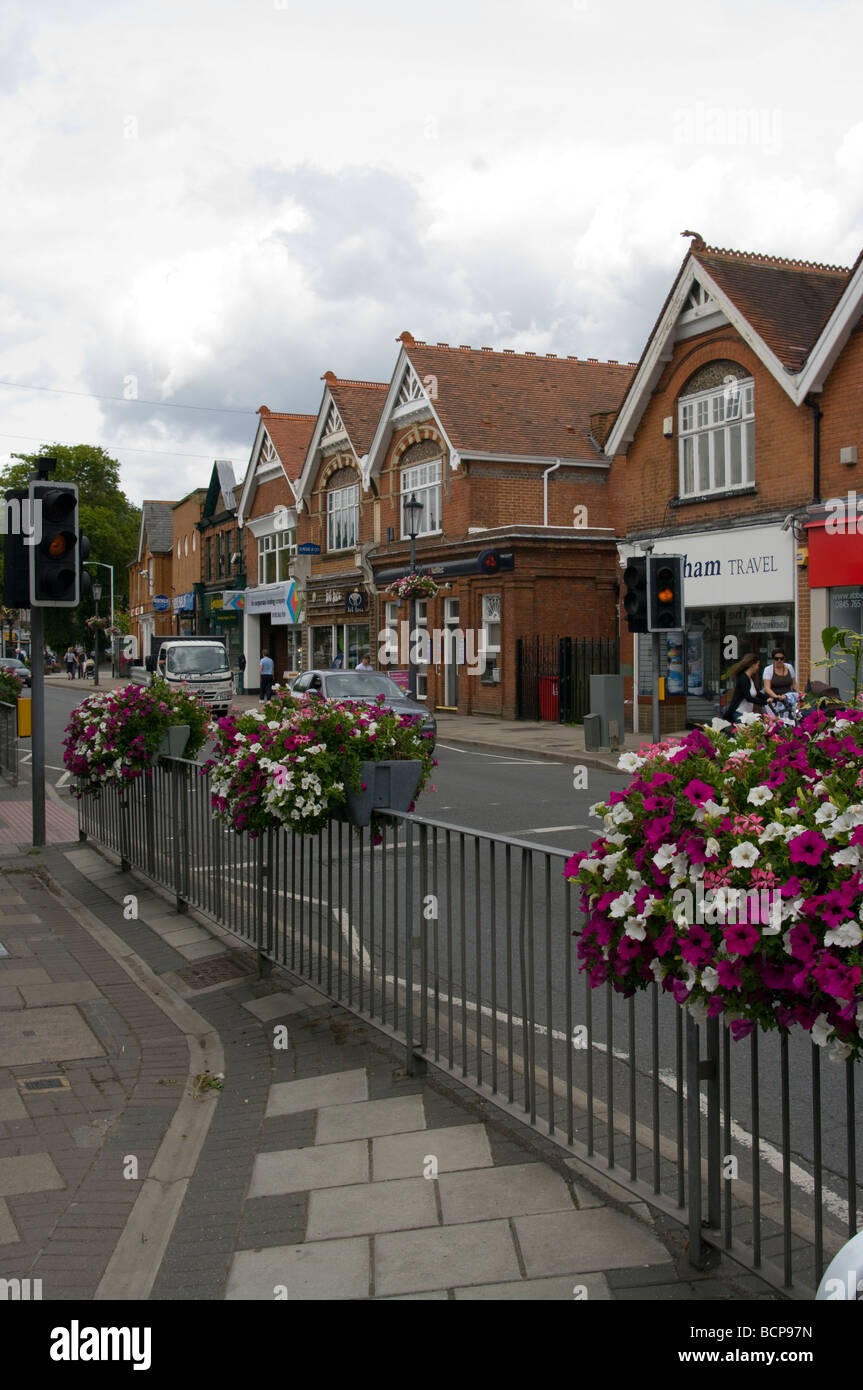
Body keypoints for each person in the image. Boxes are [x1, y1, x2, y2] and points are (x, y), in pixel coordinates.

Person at [725, 653, 761, 724]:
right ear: (753, 665)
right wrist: (764, 702)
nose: (758, 667)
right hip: (740, 714)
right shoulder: (743, 678)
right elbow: (748, 697)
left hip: (748, 714)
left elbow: (758, 694)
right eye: (757, 665)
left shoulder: (750, 678)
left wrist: (769, 698)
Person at [763, 648, 799, 712]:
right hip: (774, 701)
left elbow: (794, 684)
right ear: (773, 659)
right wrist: (776, 697)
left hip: (788, 699)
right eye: (776, 659)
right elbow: (767, 688)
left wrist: (799, 692)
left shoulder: (789, 667)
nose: (779, 660)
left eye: (781, 658)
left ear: (784, 658)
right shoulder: (768, 670)